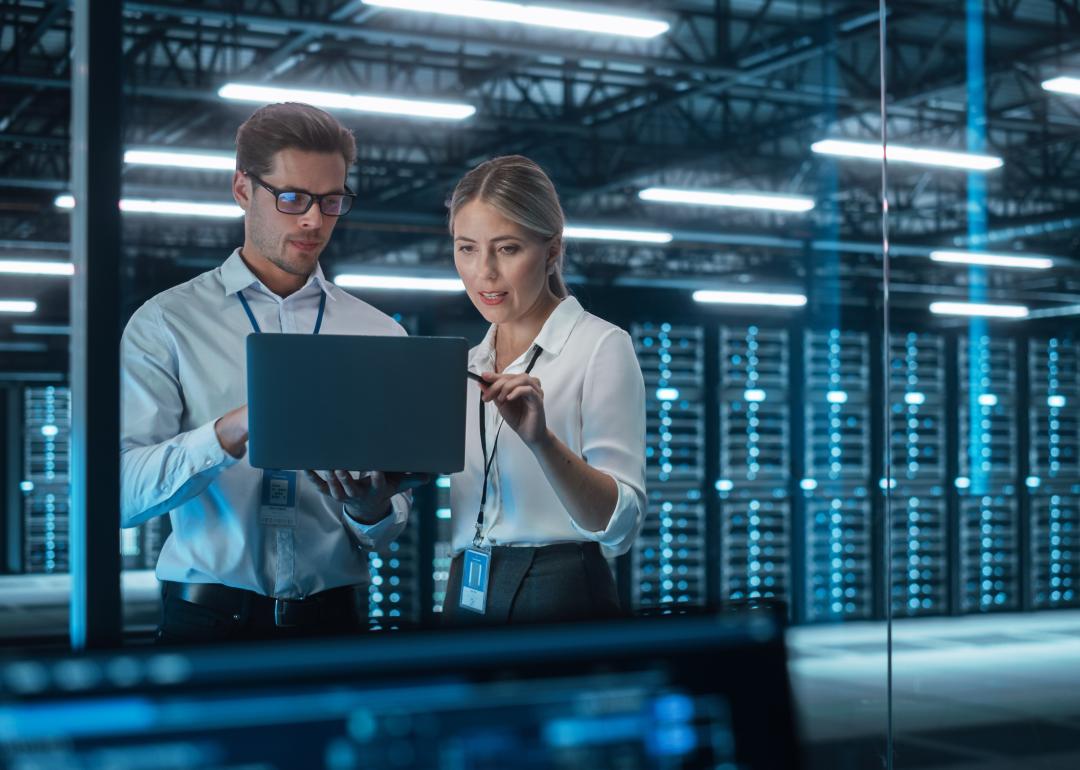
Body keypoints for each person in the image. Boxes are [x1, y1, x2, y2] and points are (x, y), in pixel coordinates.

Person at [120, 102, 427, 642]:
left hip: (335, 628)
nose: (313, 220)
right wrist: (231, 430)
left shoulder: (379, 333)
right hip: (207, 626)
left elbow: (384, 532)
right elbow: (118, 496)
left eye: (331, 201)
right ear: (243, 189)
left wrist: (370, 508)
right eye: (292, 198)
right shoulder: (167, 323)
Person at [443, 155, 647, 624]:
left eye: (508, 248)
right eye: (467, 248)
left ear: (552, 250)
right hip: (467, 586)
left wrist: (542, 442)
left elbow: (619, 527)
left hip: (561, 588)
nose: (484, 273)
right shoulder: (469, 362)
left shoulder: (600, 347)